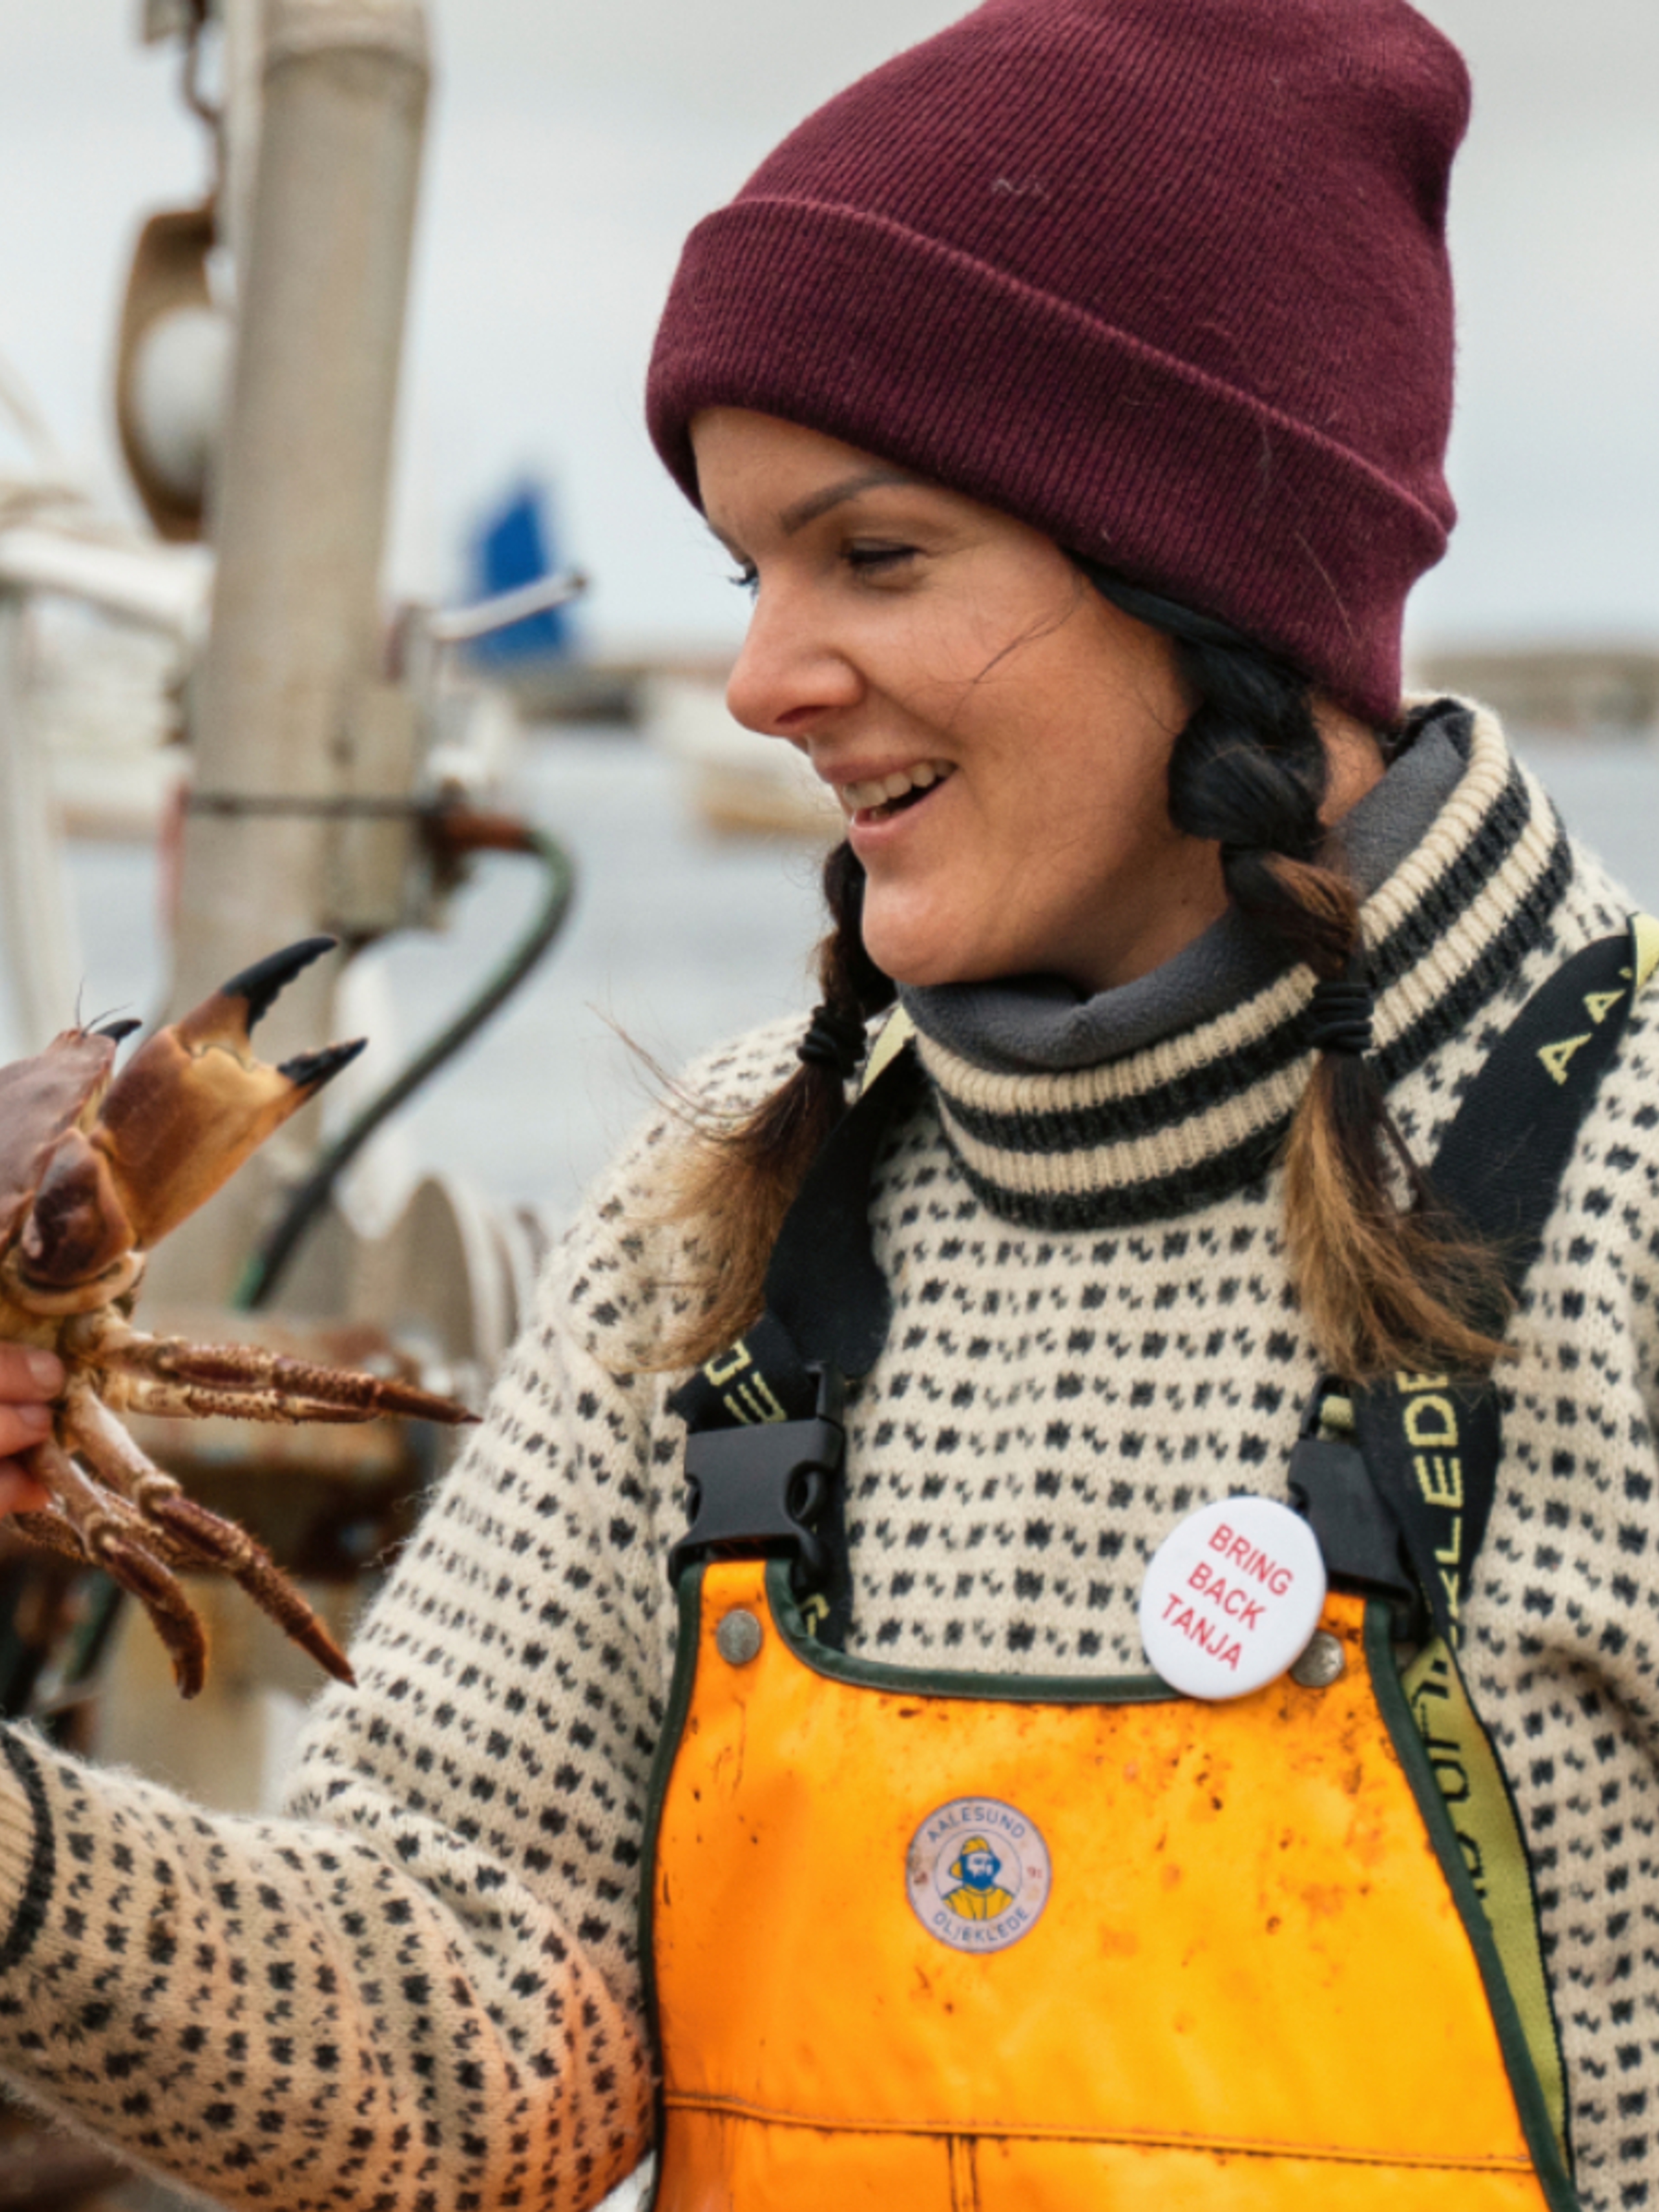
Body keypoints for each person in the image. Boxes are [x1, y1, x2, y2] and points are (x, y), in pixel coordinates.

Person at [0, 0, 1654, 2206]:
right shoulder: (735, 1193)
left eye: (874, 559)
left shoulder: (1619, 1183)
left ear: (1223, 582)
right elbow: (464, 2045)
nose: (765, 679)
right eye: (747, 569)